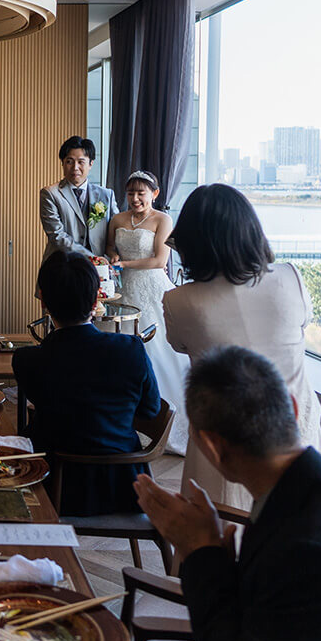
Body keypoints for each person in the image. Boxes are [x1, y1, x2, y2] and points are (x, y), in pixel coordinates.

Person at [133, 346, 321, 641]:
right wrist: (214, 553)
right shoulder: (317, 489)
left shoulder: (306, 554)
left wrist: (199, 552)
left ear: (211, 445)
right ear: (293, 406)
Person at [162, 183, 321, 509]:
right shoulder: (290, 278)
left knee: (221, 541)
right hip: (295, 435)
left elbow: (180, 344)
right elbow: (301, 325)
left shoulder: (181, 302)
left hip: (222, 447)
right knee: (305, 528)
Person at [13, 251, 161, 516]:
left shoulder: (27, 360)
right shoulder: (131, 349)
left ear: (43, 301)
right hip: (123, 488)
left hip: (51, 488)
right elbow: (150, 411)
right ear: (96, 301)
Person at [105, 170, 191, 455]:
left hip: (152, 288)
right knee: (123, 355)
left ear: (154, 194)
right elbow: (109, 249)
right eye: (131, 193)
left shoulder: (162, 220)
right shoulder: (117, 219)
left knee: (155, 351)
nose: (135, 198)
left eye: (141, 193)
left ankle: (163, 421)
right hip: (123, 291)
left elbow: (159, 260)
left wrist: (125, 266)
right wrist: (113, 257)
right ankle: (127, 420)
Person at [39, 135, 119, 264]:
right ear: (62, 163)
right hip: (63, 264)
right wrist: (92, 257)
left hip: (99, 268)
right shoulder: (50, 194)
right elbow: (57, 235)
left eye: (81, 162)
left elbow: (118, 229)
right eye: (69, 161)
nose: (75, 167)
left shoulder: (106, 195)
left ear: (91, 164)